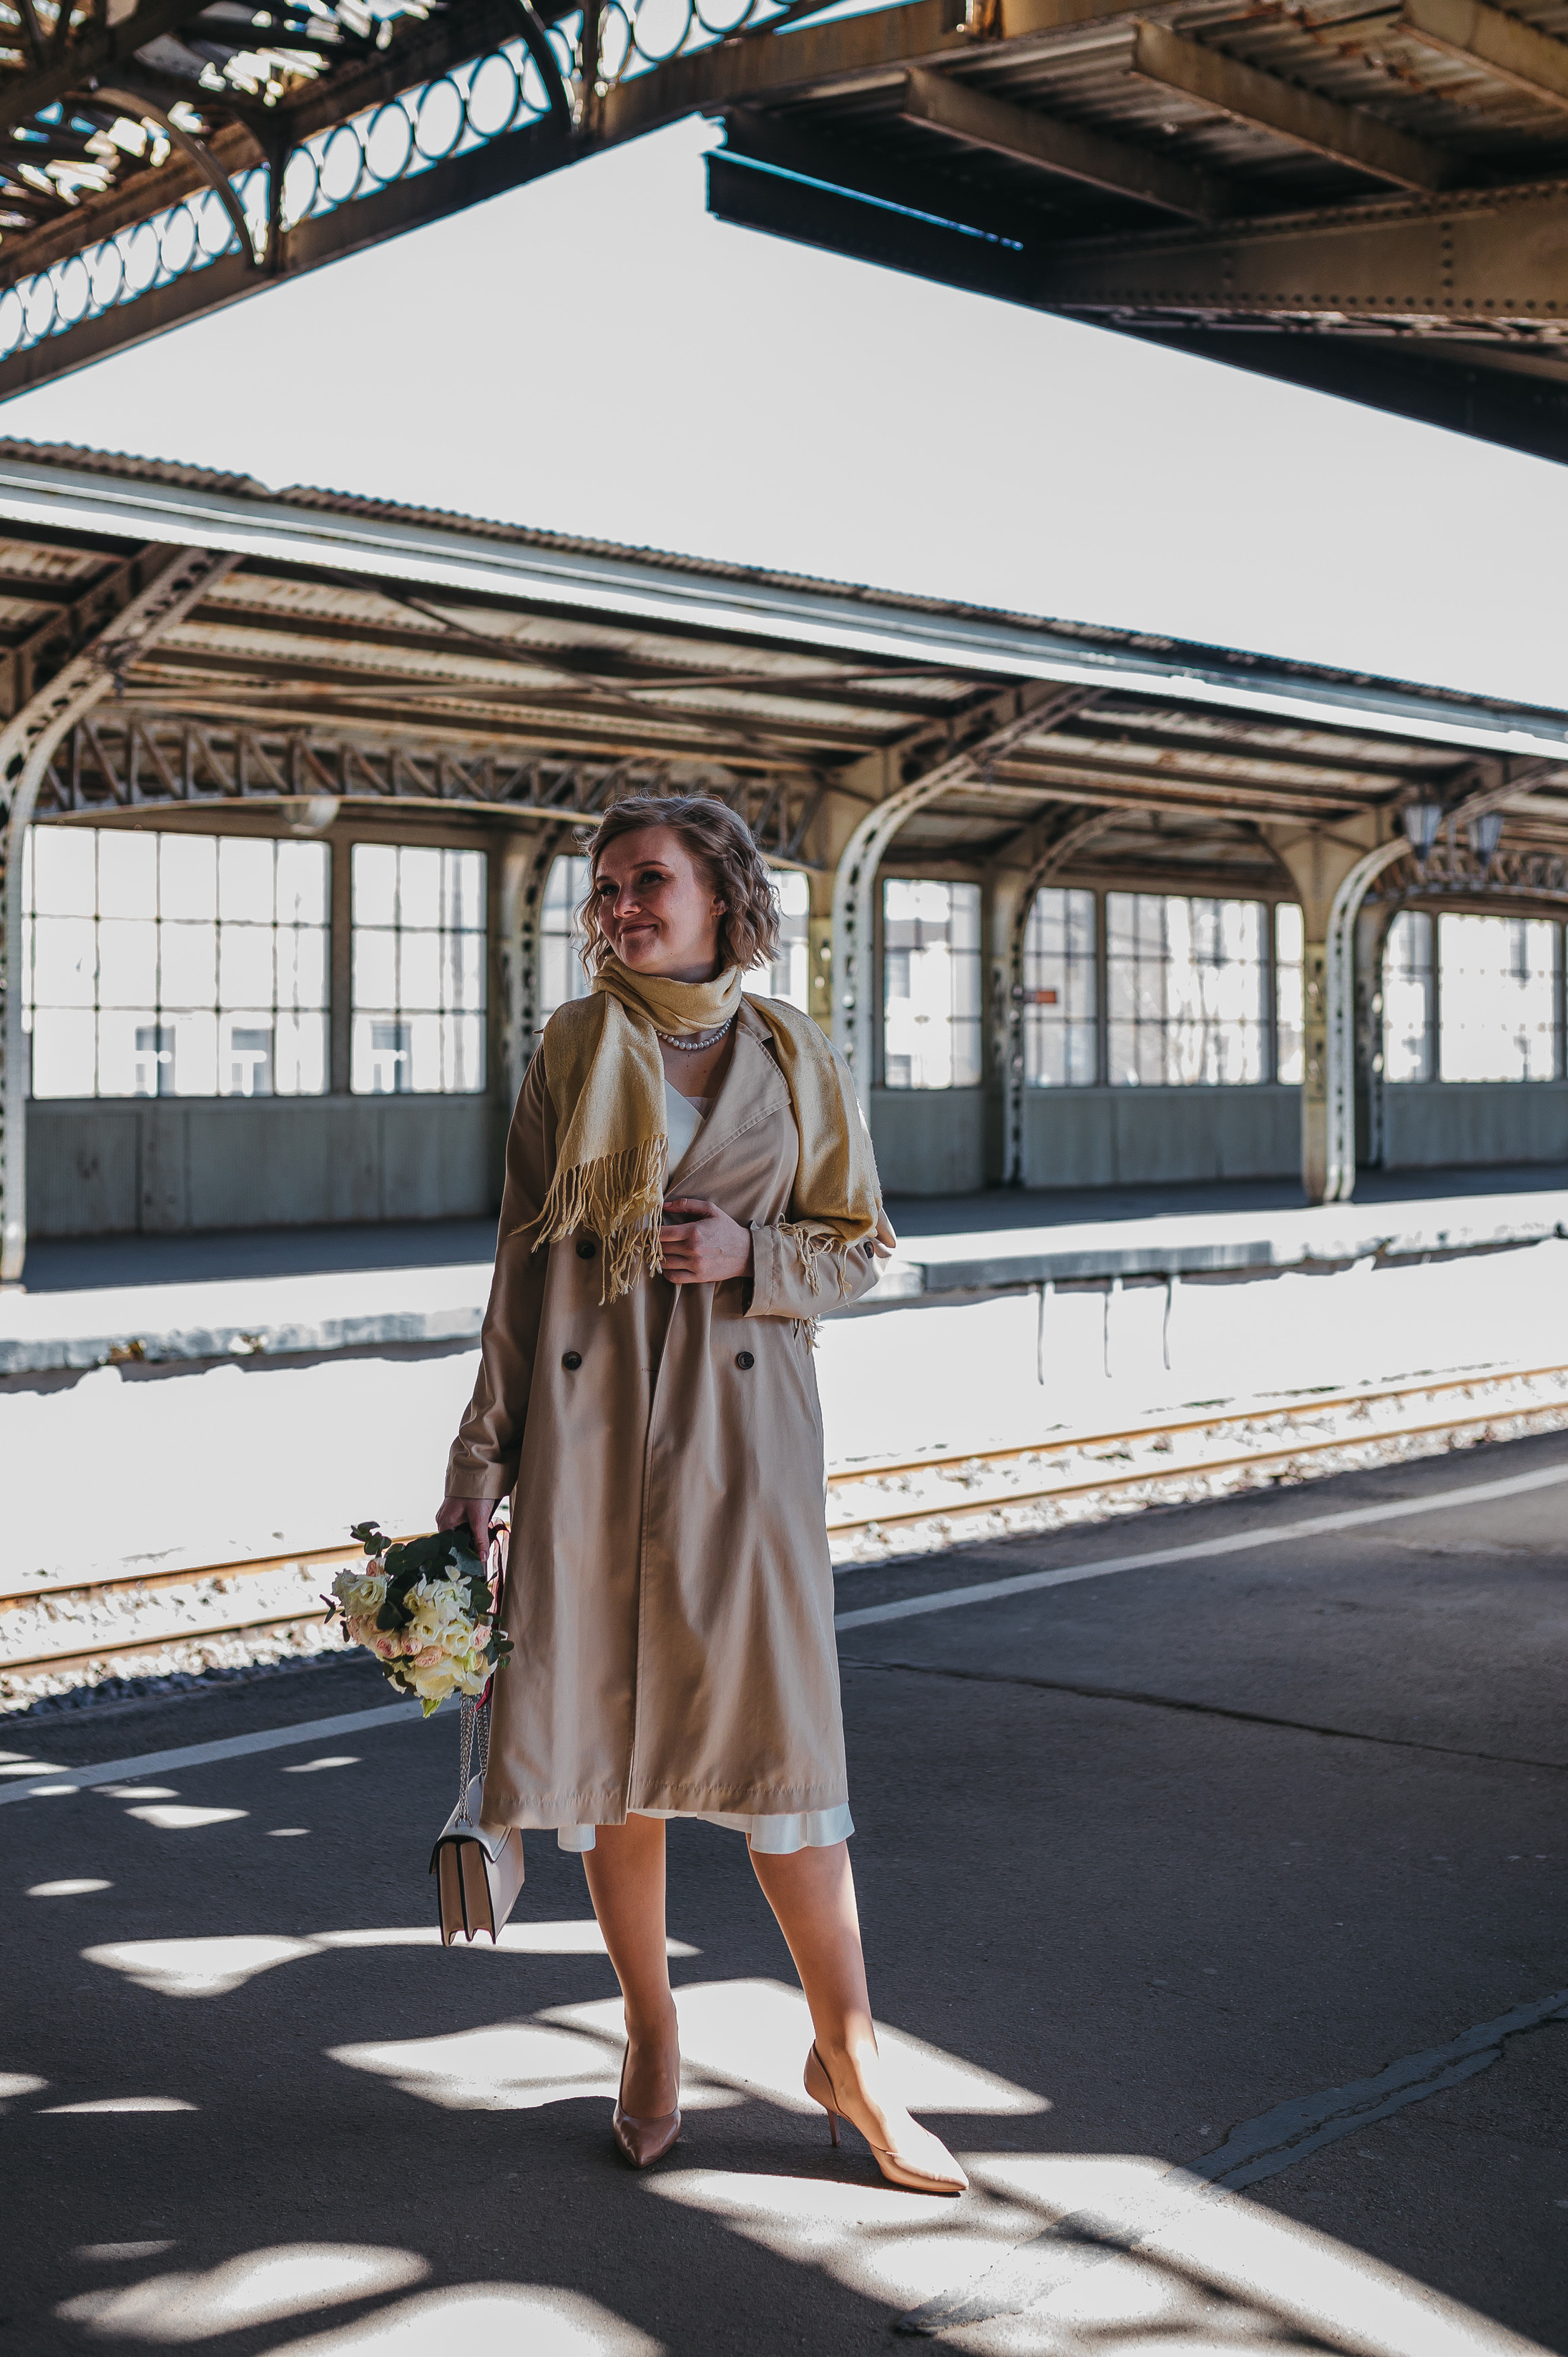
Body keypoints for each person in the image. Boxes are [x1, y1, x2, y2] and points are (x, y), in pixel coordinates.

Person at [437, 792, 966, 2193]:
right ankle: (651, 2032)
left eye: (644, 880)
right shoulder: (571, 1047)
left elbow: (855, 1253)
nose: (616, 904)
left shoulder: (794, 1052)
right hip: (590, 1446)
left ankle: (847, 2057)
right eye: (602, 885)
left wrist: (750, 1254)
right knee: (619, 1765)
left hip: (745, 1456)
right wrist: (477, 1462)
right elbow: (518, 1267)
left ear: (722, 897)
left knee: (791, 1771)